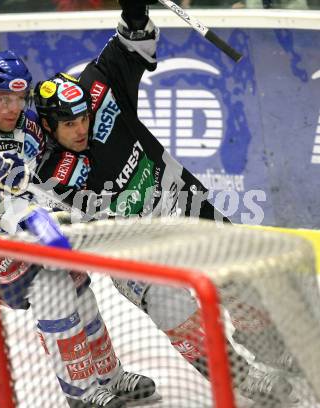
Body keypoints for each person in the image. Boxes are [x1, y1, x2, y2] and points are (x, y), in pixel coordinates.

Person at [31, 0, 300, 405]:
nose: (82, 127)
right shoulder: (46, 170)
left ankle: (263, 341)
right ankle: (243, 377)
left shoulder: (98, 90)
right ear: (49, 126)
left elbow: (130, 41)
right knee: (180, 313)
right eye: (69, 124)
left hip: (181, 203)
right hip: (134, 249)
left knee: (239, 270)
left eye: (84, 117)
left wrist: (134, 10)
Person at [0, 49, 158, 408]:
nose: (12, 108)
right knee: (50, 286)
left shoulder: (28, 129)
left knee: (74, 278)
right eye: (2, 99)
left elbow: (43, 164)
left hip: (2, 226)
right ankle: (82, 394)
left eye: (18, 98)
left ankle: (108, 375)